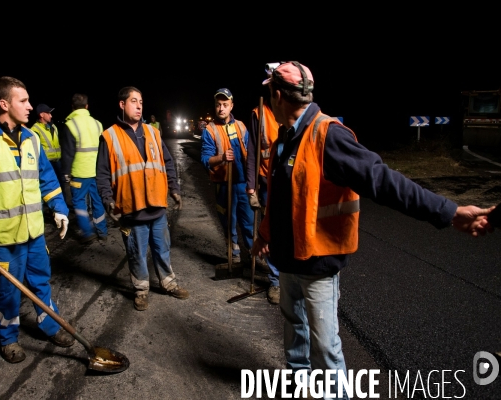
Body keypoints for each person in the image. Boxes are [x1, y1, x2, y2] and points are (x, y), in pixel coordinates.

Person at [250, 61, 494, 399]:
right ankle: (298, 384)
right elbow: (278, 198)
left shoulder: (328, 135)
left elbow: (384, 181)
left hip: (319, 264)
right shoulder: (284, 139)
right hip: (288, 260)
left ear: (277, 95)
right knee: (295, 330)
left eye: (269, 93)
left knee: (325, 347)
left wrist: (449, 211)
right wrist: (265, 235)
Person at [0, 76, 75, 364]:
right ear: (4, 103)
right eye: (24, 101)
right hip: (3, 237)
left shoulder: (32, 137)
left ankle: (50, 325)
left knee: (41, 282)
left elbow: (45, 176)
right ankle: (8, 338)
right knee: (7, 291)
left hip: (33, 232)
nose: (30, 106)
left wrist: (58, 206)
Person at [96, 86, 188, 311]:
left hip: (156, 206)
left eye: (141, 102)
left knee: (162, 247)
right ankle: (141, 290)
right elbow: (103, 174)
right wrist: (108, 200)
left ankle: (168, 283)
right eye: (134, 101)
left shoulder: (153, 132)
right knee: (136, 252)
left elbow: (167, 162)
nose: (139, 106)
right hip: (131, 209)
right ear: (122, 104)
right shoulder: (109, 136)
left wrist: (174, 188)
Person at [200, 88, 255, 265]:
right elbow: (205, 159)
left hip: (243, 184)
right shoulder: (210, 130)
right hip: (223, 185)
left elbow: (251, 154)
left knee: (248, 222)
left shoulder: (241, 126)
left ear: (231, 106)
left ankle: (254, 255)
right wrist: (222, 158)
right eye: (218, 105)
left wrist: (252, 181)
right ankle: (235, 255)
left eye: (225, 105)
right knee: (229, 223)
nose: (221, 108)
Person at [245, 95, 281, 304]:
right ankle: (276, 281)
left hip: (292, 182)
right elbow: (252, 151)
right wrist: (251, 187)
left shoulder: (296, 108)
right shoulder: (259, 113)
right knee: (271, 231)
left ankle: (292, 277)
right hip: (268, 182)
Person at [60, 93, 108, 244]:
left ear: (72, 107)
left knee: (79, 202)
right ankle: (102, 231)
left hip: (79, 173)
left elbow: (67, 153)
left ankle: (87, 232)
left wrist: (66, 173)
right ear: (87, 107)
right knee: (98, 201)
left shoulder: (70, 125)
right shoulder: (98, 124)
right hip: (96, 172)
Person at [30, 103, 72, 209]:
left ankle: (62, 207)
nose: (51, 115)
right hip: (46, 163)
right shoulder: (35, 130)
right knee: (48, 186)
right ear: (41, 115)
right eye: (48, 113)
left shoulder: (53, 127)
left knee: (60, 184)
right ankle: (49, 208)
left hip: (57, 161)